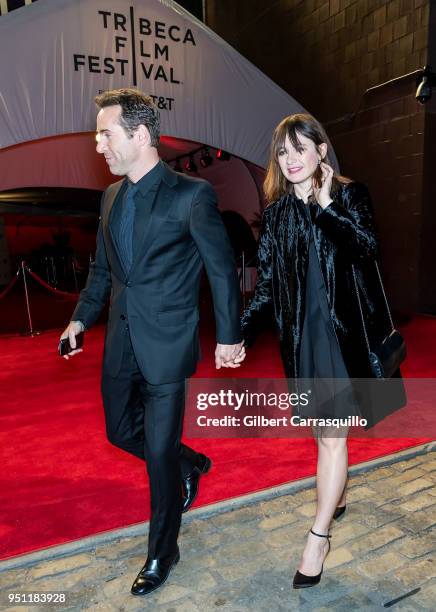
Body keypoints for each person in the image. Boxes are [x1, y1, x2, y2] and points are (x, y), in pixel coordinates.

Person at [60, 88, 245, 597]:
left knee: (157, 459)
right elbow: (103, 269)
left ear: (140, 136)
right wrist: (80, 319)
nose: (98, 144)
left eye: (106, 133)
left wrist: (230, 335)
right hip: (120, 341)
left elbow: (220, 268)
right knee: (121, 433)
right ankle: (190, 461)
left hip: (167, 345)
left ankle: (164, 549)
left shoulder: (191, 194)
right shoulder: (111, 197)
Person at [241, 113, 405, 589]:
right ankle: (337, 490)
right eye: (283, 152)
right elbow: (268, 286)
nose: (291, 160)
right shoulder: (275, 214)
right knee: (322, 432)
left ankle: (319, 536)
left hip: (343, 336)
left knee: (332, 436)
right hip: (302, 340)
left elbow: (367, 249)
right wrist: (241, 336)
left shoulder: (350, 194)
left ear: (320, 152)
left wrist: (328, 205)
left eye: (300, 149)